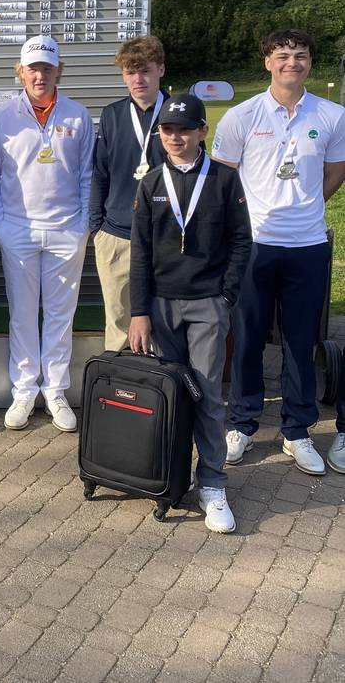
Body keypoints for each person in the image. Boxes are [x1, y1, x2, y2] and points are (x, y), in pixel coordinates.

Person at [212, 29, 345, 475]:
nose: (293, 62)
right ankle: (243, 424)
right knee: (247, 338)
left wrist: (306, 209)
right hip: (254, 246)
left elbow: (334, 171)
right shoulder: (241, 115)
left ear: (311, 63)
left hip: (306, 246)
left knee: (300, 340)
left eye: (301, 55)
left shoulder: (331, 115)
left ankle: (297, 431)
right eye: (283, 55)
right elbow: (224, 180)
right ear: (267, 61)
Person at [129, 94, 252, 533]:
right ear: (158, 135)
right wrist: (139, 312)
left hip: (207, 304)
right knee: (173, 395)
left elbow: (242, 243)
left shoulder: (222, 180)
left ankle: (213, 484)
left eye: (184, 130)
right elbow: (140, 254)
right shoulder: (150, 182)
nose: (176, 138)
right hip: (161, 306)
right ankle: (172, 476)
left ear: (203, 132)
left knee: (207, 395)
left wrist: (225, 298)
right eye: (167, 131)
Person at [0, 35, 94, 434]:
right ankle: (24, 390)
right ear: (21, 72)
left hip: (67, 230)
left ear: (58, 71)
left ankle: (55, 390)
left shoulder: (78, 116)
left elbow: (86, 176)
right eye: (33, 68)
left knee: (60, 315)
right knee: (22, 314)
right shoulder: (3, 118)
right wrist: (0, 225)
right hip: (18, 229)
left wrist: (81, 225)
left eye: (47, 68)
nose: (40, 75)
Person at [90, 35, 168, 351]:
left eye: (145, 71)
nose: (137, 80)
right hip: (116, 236)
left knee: (163, 321)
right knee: (119, 321)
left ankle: (162, 393)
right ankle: (120, 391)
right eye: (130, 72)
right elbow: (100, 172)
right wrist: (98, 228)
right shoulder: (112, 114)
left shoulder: (178, 113)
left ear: (161, 70)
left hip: (164, 237)